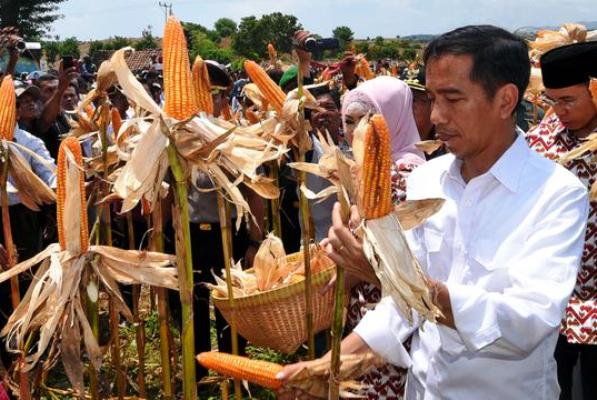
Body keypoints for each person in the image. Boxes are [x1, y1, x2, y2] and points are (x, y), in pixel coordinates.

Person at [278, 25, 588, 400]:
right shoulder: (426, 181)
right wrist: (330, 363)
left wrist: (402, 281)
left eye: (453, 99)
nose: (436, 116)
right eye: (432, 98)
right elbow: (402, 311)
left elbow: (528, 322)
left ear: (506, 101)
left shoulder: (557, 193)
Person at [339, 76, 425, 399]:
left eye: (366, 121)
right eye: (348, 121)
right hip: (369, 314)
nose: (354, 131)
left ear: (392, 120)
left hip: (394, 317)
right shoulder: (367, 169)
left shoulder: (403, 173)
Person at [525, 41, 597, 400]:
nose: (558, 111)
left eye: (568, 100)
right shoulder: (539, 143)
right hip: (554, 303)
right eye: (552, 100)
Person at [404, 68, 445, 160]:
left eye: (414, 99)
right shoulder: (391, 144)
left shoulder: (448, 146)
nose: (407, 105)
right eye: (403, 99)